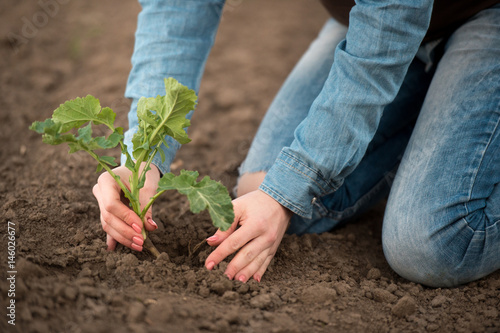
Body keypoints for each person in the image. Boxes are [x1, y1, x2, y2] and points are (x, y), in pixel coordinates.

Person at [92, 0, 500, 288]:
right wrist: (142, 156)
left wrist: (289, 190)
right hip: (368, 22)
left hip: (469, 16)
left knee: (433, 244)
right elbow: (178, 9)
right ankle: (436, 112)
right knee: (261, 192)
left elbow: (386, 38)